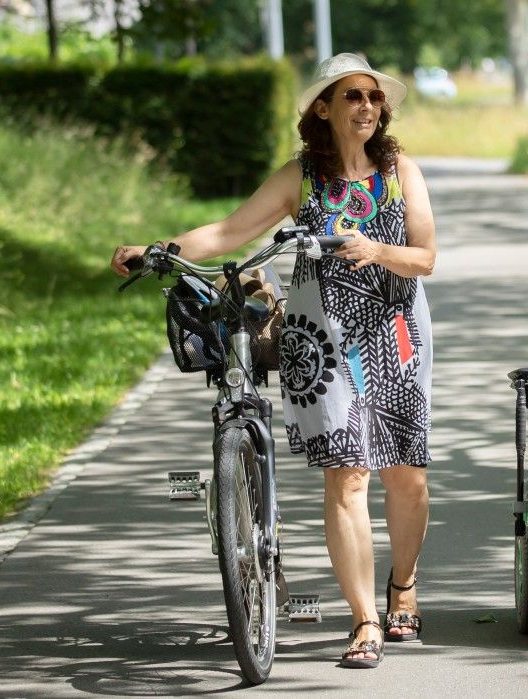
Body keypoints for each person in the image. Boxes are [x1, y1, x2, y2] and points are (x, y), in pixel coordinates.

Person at [111, 52, 435, 670]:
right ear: (323, 108)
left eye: (373, 97)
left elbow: (426, 258)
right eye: (352, 97)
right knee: (346, 474)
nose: (366, 107)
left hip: (395, 333)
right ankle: (364, 618)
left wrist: (378, 249)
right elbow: (229, 232)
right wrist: (158, 248)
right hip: (321, 341)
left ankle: (404, 585)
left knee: (405, 475)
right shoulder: (301, 177)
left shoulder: (400, 173)